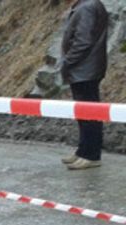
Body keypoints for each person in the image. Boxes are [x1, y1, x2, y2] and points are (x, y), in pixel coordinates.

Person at [60, 0, 108, 170]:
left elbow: (84, 41)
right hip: (84, 69)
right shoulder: (85, 5)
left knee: (89, 115)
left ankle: (91, 155)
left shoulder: (87, 6)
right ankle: (83, 151)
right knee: (84, 113)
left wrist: (67, 62)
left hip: (84, 69)